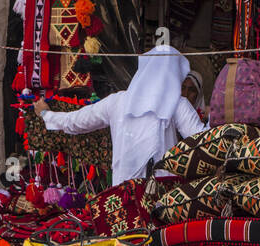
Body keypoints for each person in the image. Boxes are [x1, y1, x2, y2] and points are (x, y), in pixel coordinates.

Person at [33, 45, 208, 184]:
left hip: (124, 191)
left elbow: (76, 121)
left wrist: (46, 114)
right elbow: (202, 139)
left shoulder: (118, 101)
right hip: (163, 192)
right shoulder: (178, 104)